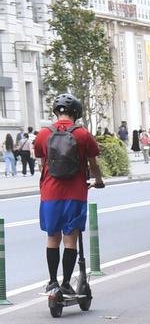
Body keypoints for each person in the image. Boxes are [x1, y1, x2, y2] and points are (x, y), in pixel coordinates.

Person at [35, 94, 105, 299]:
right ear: (76, 113)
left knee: (52, 237)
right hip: (75, 193)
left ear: (56, 112)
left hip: (50, 193)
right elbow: (93, 165)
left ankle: (52, 281)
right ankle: (66, 283)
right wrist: (98, 181)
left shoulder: (43, 134)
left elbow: (41, 164)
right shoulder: (83, 134)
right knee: (70, 239)